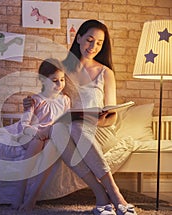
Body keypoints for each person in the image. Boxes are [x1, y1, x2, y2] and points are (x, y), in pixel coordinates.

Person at [22, 19, 137, 215]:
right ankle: (101, 194)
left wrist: (97, 119)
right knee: (60, 129)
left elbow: (112, 118)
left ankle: (114, 192)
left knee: (75, 128)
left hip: (99, 130)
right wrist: (30, 102)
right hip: (71, 129)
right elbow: (48, 99)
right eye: (89, 40)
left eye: (99, 43)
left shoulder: (105, 73)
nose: (93, 47)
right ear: (78, 38)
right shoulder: (62, 71)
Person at [11, 58, 72, 210]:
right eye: (55, 80)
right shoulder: (35, 100)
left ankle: (32, 198)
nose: (60, 84)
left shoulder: (65, 100)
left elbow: (65, 122)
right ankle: (20, 191)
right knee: (39, 141)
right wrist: (37, 133)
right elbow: (24, 124)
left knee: (53, 147)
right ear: (43, 80)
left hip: (51, 135)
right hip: (32, 136)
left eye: (62, 80)